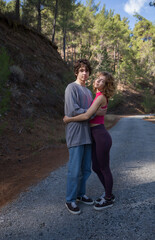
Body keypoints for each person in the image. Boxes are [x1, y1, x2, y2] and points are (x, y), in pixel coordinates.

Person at [64, 71, 116, 211]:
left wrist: (69, 119)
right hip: (95, 135)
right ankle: (108, 193)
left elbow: (87, 115)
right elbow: (92, 112)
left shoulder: (100, 97)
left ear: (106, 85)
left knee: (104, 168)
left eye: (102, 81)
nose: (97, 82)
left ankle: (108, 198)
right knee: (96, 167)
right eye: (98, 79)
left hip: (100, 135)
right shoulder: (97, 96)